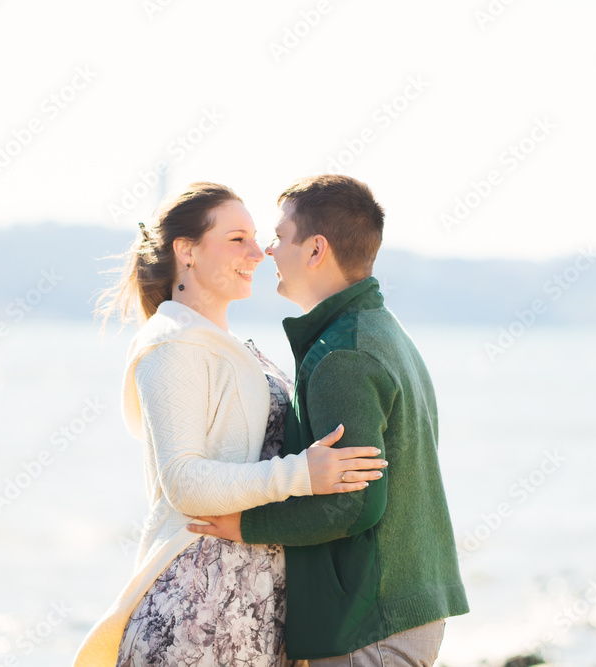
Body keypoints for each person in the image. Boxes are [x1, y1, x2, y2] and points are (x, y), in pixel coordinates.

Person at [73, 182, 388, 667]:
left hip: (249, 607)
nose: (258, 252)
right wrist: (302, 474)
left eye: (258, 237)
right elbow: (185, 483)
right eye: (237, 238)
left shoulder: (227, 344)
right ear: (187, 251)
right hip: (198, 610)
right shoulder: (173, 345)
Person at [188, 174, 469, 665]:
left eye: (279, 237)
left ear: (316, 249)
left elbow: (354, 504)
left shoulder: (344, 355)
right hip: (394, 612)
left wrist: (244, 524)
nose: (267, 251)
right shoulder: (378, 332)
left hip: (371, 626)